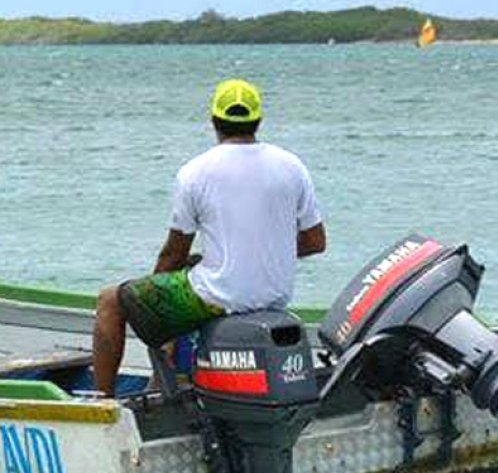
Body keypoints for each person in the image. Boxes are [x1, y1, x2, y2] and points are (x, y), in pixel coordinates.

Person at [92, 78, 327, 396]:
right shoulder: (293, 166)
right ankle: (170, 377)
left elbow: (173, 254)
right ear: (258, 121)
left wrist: (153, 305)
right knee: (188, 272)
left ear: (214, 121)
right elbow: (315, 241)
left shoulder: (195, 172)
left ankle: (102, 402)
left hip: (222, 298)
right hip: (275, 294)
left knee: (112, 301)